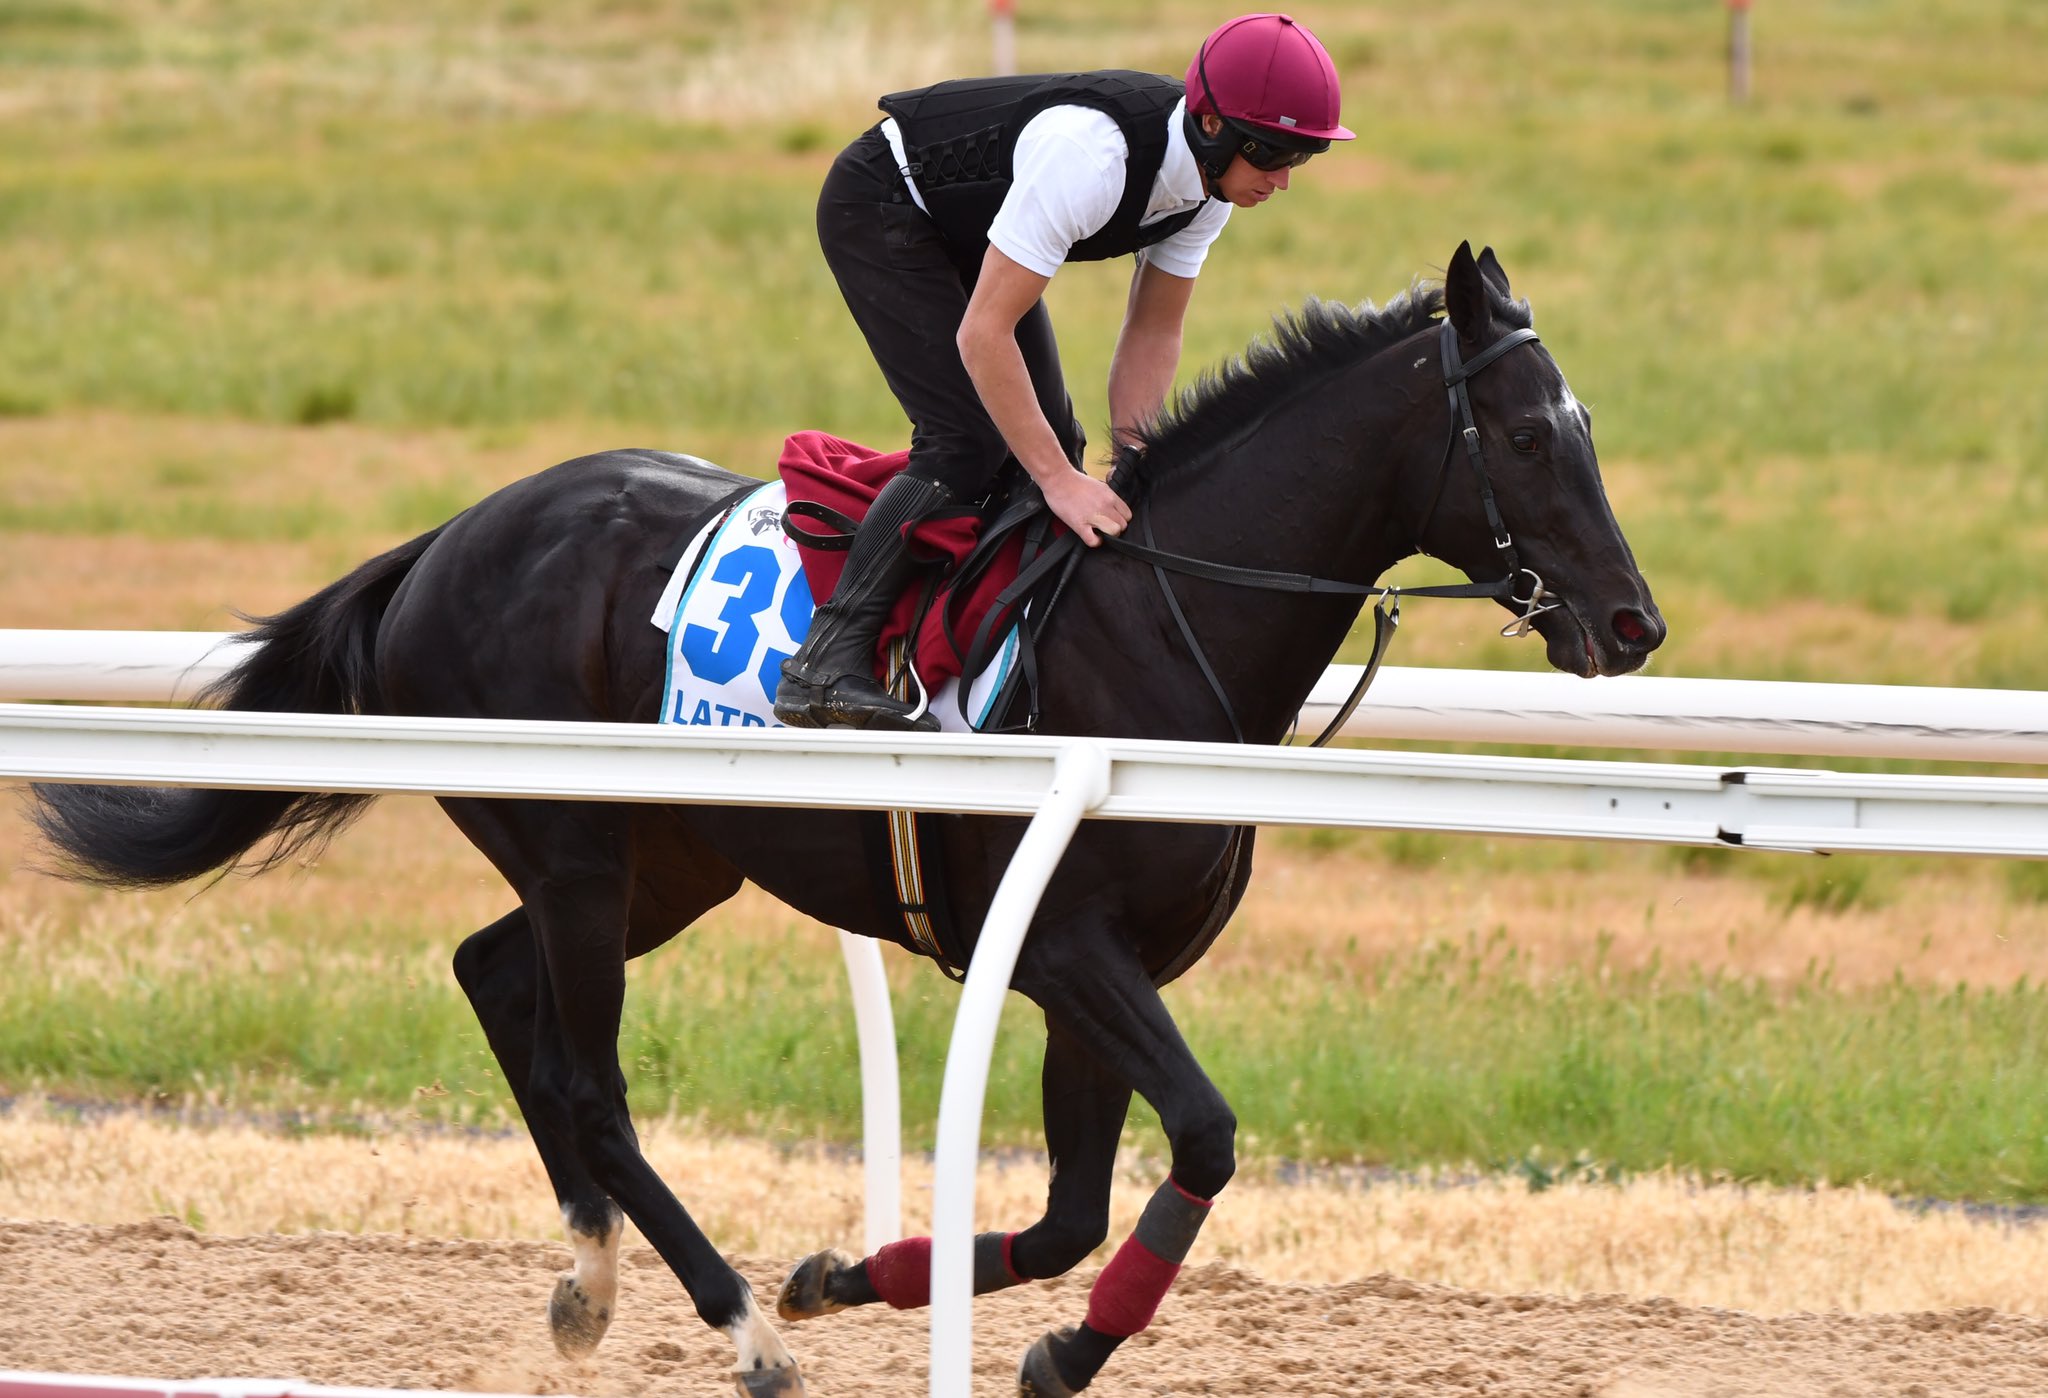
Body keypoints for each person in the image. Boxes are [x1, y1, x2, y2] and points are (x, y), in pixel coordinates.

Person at [774, 12, 1354, 731]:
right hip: (883, 202)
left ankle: (997, 642)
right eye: (1275, 153)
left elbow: (1153, 329)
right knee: (970, 442)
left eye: (1303, 158)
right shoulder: (1092, 159)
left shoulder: (1210, 191)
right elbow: (983, 334)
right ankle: (824, 663)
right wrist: (1056, 479)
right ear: (1212, 126)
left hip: (967, 224)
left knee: (1059, 448)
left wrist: (1135, 464)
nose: (1283, 179)